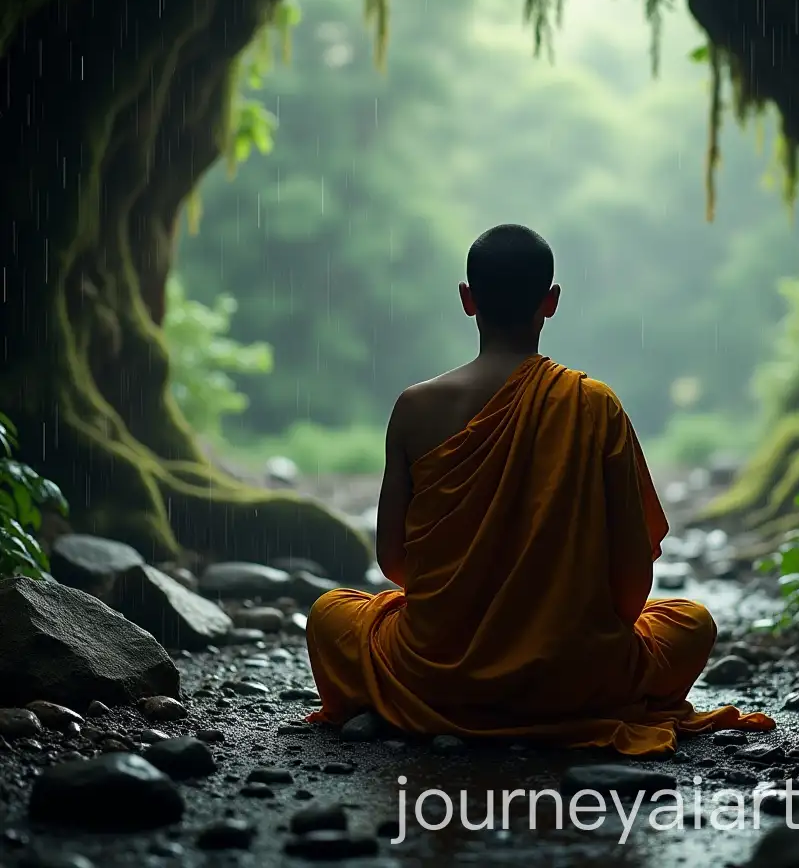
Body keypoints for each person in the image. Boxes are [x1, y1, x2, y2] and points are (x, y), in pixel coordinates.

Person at [306, 224, 774, 754]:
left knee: (330, 614)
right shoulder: (594, 405)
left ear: (467, 299)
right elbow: (631, 585)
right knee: (690, 622)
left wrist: (470, 610)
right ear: (551, 302)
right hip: (574, 679)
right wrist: (555, 622)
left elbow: (394, 563)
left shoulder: (415, 408)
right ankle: (558, 694)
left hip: (435, 676)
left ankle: (443, 702)